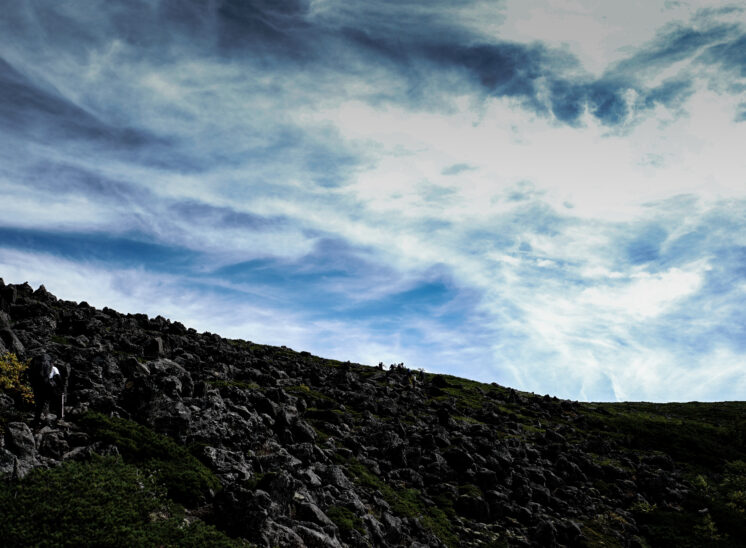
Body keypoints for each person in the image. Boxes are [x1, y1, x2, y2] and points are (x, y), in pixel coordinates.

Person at [30, 354, 66, 427]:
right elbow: (58, 379)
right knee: (59, 400)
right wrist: (62, 389)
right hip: (50, 388)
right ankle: (59, 419)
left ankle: (36, 421)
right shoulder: (54, 368)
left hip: (39, 387)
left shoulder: (37, 368)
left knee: (39, 405)